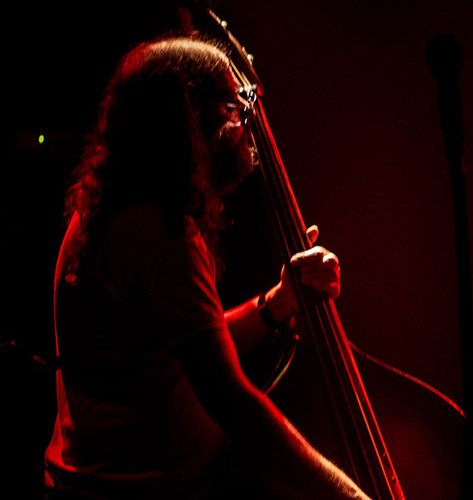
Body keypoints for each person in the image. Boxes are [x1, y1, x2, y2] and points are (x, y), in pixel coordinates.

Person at [43, 36, 369, 499]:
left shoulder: (110, 207)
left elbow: (183, 349)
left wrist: (276, 304)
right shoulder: (163, 237)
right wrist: (350, 495)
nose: (246, 127)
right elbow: (233, 403)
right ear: (191, 119)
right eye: (235, 108)